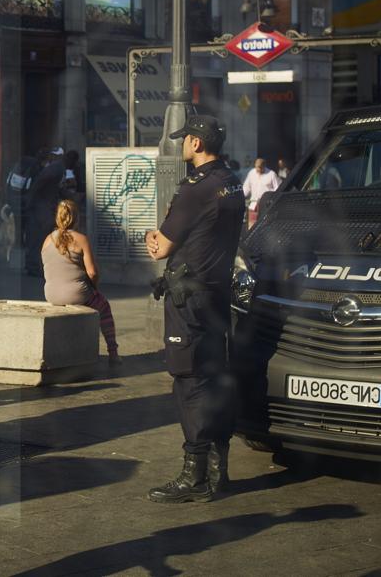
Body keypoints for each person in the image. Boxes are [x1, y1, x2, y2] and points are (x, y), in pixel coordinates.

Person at [144, 115, 244, 503]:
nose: (182, 143)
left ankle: (195, 473)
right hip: (218, 294)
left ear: (197, 144)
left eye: (185, 138)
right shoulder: (231, 181)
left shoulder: (195, 189)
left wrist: (153, 236)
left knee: (188, 381)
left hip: (189, 297)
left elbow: (162, 247)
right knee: (214, 375)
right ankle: (219, 472)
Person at [41, 200, 121, 364]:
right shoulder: (81, 239)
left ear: (58, 218)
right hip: (76, 294)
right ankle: (113, 353)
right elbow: (92, 272)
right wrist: (94, 287)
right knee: (104, 307)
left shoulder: (47, 240)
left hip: (51, 295)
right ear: (77, 219)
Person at [22, 148, 66, 276]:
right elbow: (40, 184)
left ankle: (34, 266)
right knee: (38, 238)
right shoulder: (55, 168)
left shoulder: (53, 167)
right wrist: (30, 201)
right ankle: (34, 266)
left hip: (40, 208)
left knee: (36, 238)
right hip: (41, 210)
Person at [242, 157, 281, 228]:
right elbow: (246, 187)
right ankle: (251, 238)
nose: (258, 169)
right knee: (252, 224)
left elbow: (277, 189)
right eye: (257, 167)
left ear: (264, 166)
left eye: (260, 168)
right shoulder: (251, 173)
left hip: (266, 204)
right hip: (254, 203)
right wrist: (241, 197)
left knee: (265, 224)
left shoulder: (271, 174)